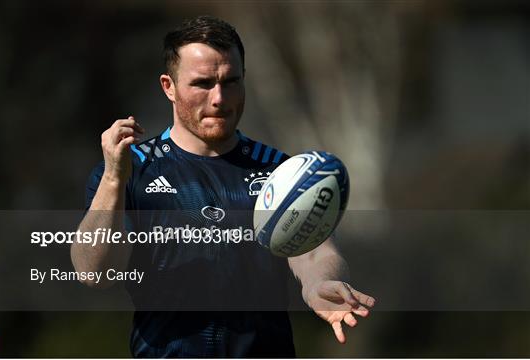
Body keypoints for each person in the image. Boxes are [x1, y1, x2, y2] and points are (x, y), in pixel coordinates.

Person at [71, 15, 375, 358]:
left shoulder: (278, 170)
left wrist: (320, 283)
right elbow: (93, 272)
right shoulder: (132, 170)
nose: (219, 98)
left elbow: (317, 252)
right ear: (168, 87)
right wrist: (114, 178)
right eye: (203, 83)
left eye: (230, 81)